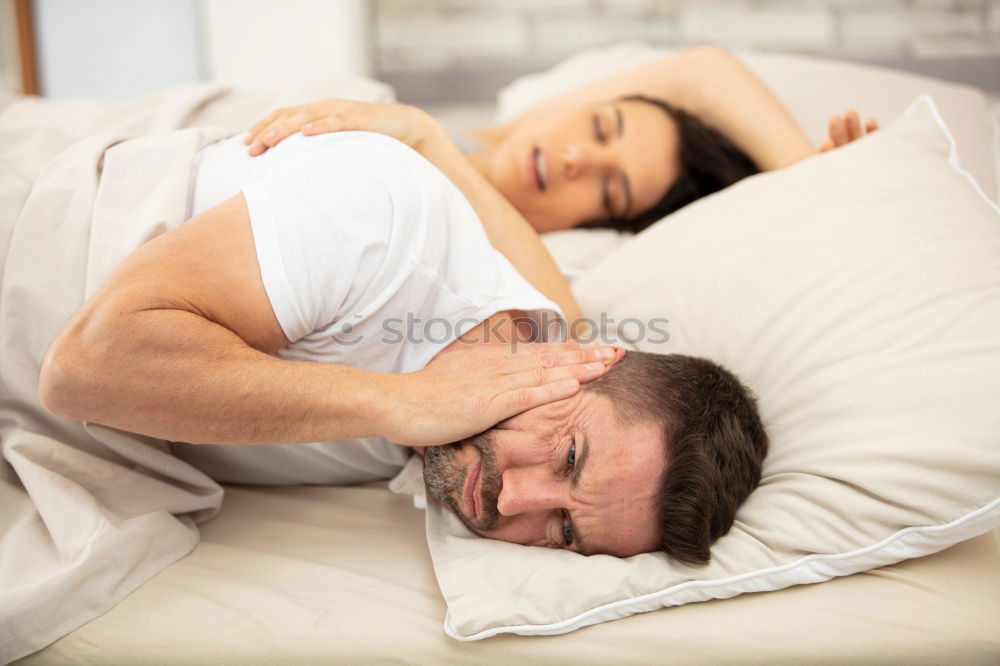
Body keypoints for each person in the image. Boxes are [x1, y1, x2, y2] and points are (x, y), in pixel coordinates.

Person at [39, 123, 767, 563]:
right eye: (567, 457)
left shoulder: (508, 394)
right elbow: (83, 370)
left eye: (566, 530)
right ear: (582, 362)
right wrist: (398, 401)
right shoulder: (382, 224)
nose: (514, 499)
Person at [244, 46, 878, 236]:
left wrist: (814, 199)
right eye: (602, 128)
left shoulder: (503, 247)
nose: (579, 158)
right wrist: (803, 169)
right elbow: (703, 73)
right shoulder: (487, 139)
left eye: (610, 187)